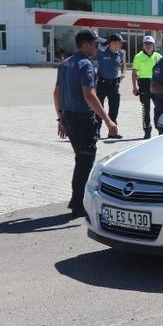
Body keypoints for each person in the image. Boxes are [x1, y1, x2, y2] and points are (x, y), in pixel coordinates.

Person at [53, 29, 118, 218]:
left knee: (80, 159)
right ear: (86, 45)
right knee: (84, 162)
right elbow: (89, 95)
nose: (98, 48)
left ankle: (78, 200)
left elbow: (56, 93)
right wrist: (108, 120)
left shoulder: (65, 64)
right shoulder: (85, 64)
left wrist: (60, 118)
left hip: (69, 118)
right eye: (96, 44)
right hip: (82, 119)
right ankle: (78, 203)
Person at [94, 33, 126, 139]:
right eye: (119, 43)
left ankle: (112, 132)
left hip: (114, 85)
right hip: (102, 84)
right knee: (99, 109)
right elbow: (90, 59)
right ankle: (96, 131)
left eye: (121, 43)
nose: (120, 45)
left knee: (114, 109)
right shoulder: (101, 52)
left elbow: (122, 64)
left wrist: (123, 73)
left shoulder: (120, 53)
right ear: (112, 43)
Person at [131, 35, 163, 139]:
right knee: (146, 109)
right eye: (146, 44)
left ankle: (160, 128)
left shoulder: (158, 57)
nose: (148, 46)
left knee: (159, 107)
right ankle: (147, 131)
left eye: (150, 44)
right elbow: (134, 73)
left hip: (156, 84)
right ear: (143, 45)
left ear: (154, 45)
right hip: (143, 84)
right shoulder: (138, 56)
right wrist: (134, 87)